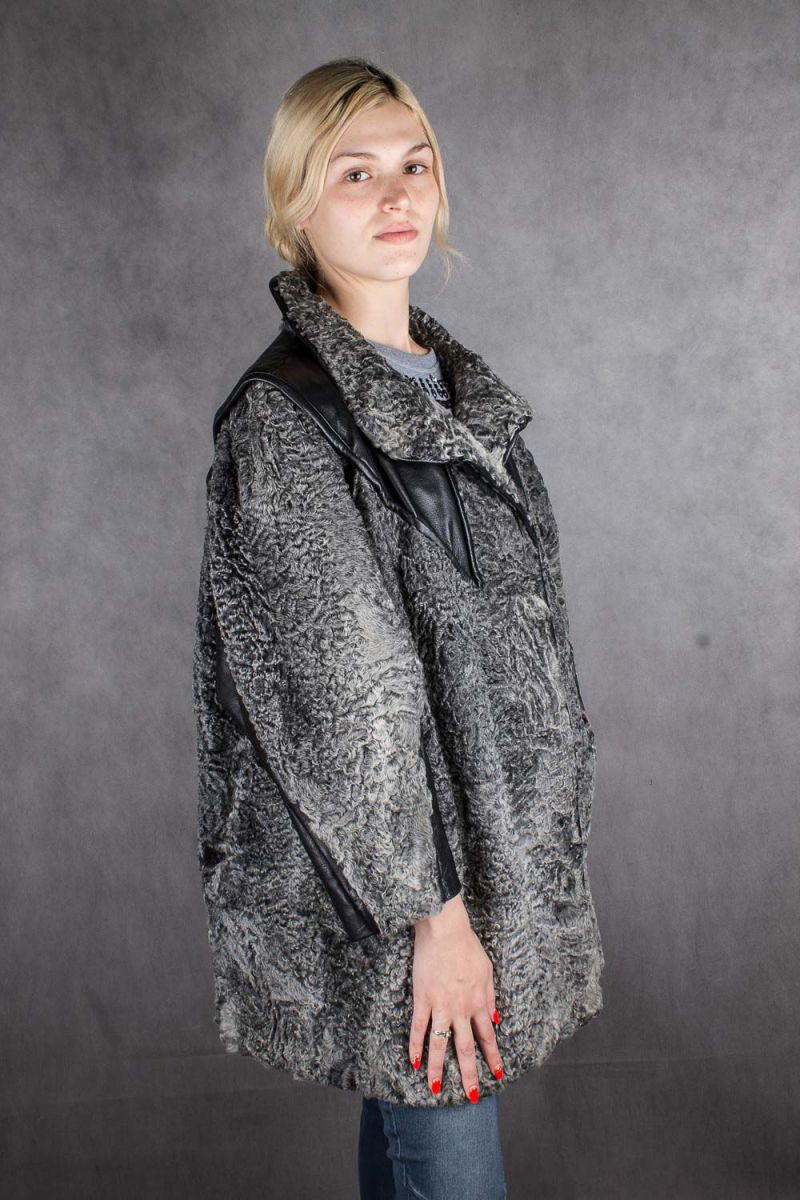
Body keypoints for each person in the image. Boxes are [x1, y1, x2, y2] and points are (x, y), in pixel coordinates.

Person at [192, 57, 605, 1200]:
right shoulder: (286, 422)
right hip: (406, 898)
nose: (394, 196)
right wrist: (436, 921)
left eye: (413, 166)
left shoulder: (464, 400)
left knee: (414, 1148)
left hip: (484, 876)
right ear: (296, 205)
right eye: (354, 173)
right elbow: (346, 704)